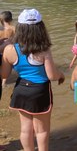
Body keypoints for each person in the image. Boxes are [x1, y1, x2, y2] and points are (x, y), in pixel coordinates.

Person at [1, 9, 65, 151]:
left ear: (20, 28)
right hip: (40, 92)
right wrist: (61, 74)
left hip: (21, 90)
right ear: (40, 28)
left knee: (25, 130)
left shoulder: (10, 49)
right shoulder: (44, 49)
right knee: (41, 131)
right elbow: (52, 76)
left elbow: (4, 74)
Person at [0, 11, 16, 88]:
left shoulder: (0, 29)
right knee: (7, 67)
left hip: (0, 52)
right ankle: (4, 83)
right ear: (11, 19)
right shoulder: (13, 28)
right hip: (8, 53)